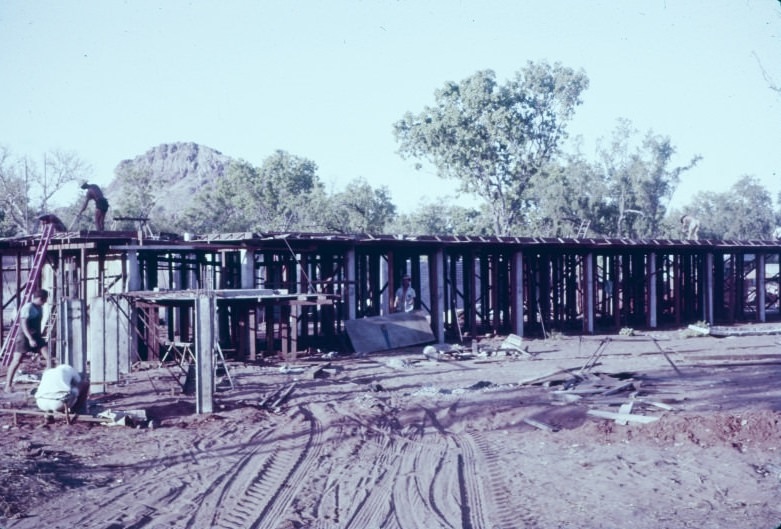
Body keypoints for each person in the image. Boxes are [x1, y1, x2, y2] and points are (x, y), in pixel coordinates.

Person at [5, 289, 51, 392]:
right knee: (16, 361)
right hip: (24, 337)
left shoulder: (40, 308)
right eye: (44, 300)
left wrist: (40, 336)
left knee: (49, 358)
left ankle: (45, 385)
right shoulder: (28, 307)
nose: (45, 302)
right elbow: (23, 324)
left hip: (37, 336)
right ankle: (8, 385)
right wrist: (30, 339)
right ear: (39, 298)